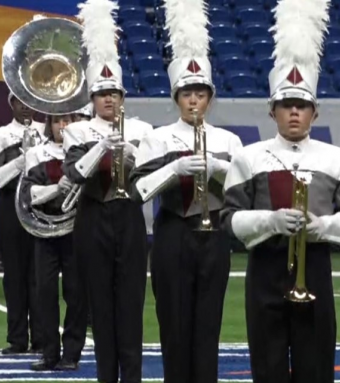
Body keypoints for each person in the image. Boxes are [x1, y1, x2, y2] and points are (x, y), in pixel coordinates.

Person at [221, 0, 340, 381]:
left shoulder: (339, 159)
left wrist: (323, 227)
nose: (295, 113)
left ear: (315, 112)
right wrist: (269, 220)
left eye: (302, 105)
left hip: (315, 268)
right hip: (265, 268)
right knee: (266, 366)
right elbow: (228, 219)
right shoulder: (248, 158)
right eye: (287, 105)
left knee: (316, 365)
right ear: (272, 111)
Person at [129, 0, 243, 381]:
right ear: (176, 97)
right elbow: (138, 190)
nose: (194, 100)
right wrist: (173, 168)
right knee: (173, 324)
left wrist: (218, 168)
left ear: (209, 97)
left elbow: (243, 191)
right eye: (187, 93)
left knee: (208, 324)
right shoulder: (158, 138)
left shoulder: (229, 139)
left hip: (215, 238)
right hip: (173, 233)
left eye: (200, 93)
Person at [63, 1, 153, 382]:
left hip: (129, 216)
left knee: (130, 305)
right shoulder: (77, 131)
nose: (109, 99)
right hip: (94, 217)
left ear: (123, 96)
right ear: (93, 98)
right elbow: (74, 174)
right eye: (102, 94)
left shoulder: (144, 130)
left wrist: (132, 154)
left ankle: (131, 376)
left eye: (114, 93)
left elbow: (151, 178)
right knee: (99, 304)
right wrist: (102, 147)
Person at [21, 112, 88, 371]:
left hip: (77, 231)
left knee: (77, 294)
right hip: (45, 231)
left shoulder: (84, 153)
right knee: (45, 293)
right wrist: (56, 189)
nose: (63, 126)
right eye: (58, 121)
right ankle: (49, 353)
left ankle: (72, 353)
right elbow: (28, 194)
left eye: (68, 121)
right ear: (49, 125)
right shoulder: (36, 154)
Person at [0, 92, 45, 354]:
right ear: (11, 103)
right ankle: (18, 338)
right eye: (19, 101)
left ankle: (43, 338)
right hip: (10, 207)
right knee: (15, 276)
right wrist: (21, 160)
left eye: (29, 101)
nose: (25, 106)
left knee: (40, 276)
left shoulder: (49, 132)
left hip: (41, 206)